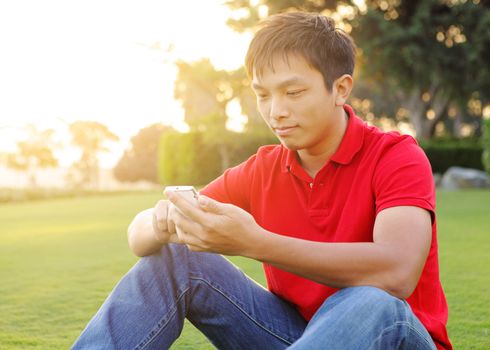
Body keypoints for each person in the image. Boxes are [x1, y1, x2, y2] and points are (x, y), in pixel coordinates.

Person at [72, 12, 452, 350]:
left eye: (293, 92)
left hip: (395, 335)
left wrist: (257, 242)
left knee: (370, 299)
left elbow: (398, 272)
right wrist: (161, 220)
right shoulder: (264, 168)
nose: (276, 111)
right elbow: (138, 237)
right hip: (298, 336)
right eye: (263, 95)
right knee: (177, 257)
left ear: (340, 88)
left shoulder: (395, 155)